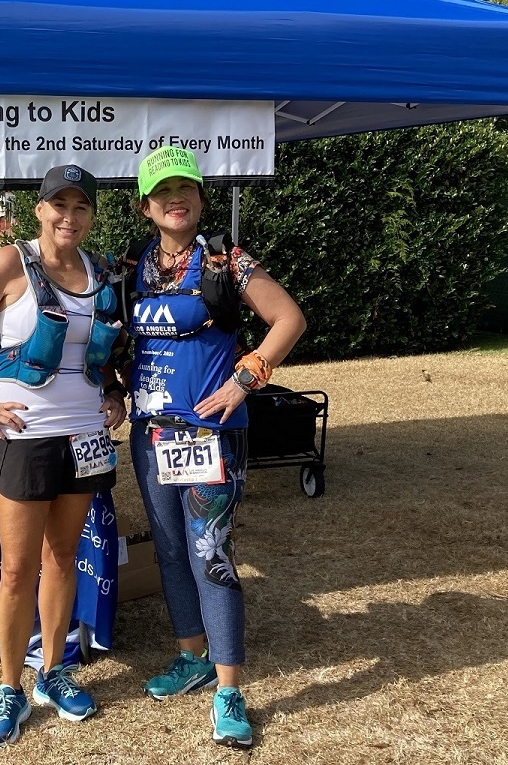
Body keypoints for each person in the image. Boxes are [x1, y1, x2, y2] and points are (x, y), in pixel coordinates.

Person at [0, 165, 126, 747]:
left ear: (91, 215)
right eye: (58, 205)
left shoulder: (101, 269)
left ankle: (54, 671)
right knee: (17, 569)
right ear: (38, 210)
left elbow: (101, 352)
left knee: (63, 557)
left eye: (80, 207)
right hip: (26, 436)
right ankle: (10, 686)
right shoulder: (12, 263)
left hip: (85, 434)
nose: (69, 217)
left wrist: (112, 392)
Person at [119, 146, 306, 750]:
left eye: (188, 188)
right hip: (151, 435)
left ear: (200, 199)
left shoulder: (226, 261)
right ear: (146, 205)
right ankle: (191, 657)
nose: (177, 198)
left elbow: (288, 319)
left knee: (211, 552)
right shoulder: (132, 266)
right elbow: (114, 340)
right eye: (164, 190)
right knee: (171, 551)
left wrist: (244, 379)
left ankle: (228, 688)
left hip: (208, 436)